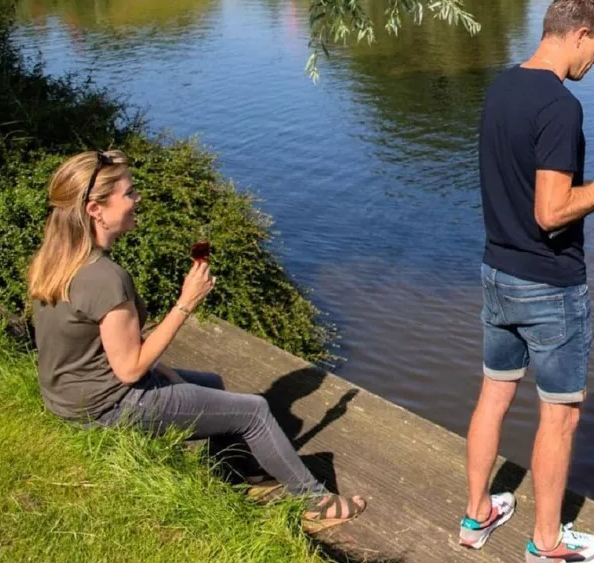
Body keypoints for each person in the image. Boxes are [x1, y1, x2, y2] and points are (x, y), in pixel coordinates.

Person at [28, 150, 365, 530]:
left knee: (213, 385)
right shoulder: (105, 277)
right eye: (129, 193)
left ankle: (239, 474)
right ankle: (315, 503)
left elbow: (98, 345)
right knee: (254, 411)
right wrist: (186, 303)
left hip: (69, 399)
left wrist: (162, 369)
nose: (138, 198)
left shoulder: (56, 258)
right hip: (107, 408)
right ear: (95, 209)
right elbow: (129, 369)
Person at [462, 0, 594, 563]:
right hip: (549, 286)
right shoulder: (560, 106)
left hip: (498, 272)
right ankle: (546, 545)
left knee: (494, 394)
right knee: (561, 416)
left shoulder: (503, 87)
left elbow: (530, 194)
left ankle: (476, 516)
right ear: (578, 34)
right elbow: (549, 213)